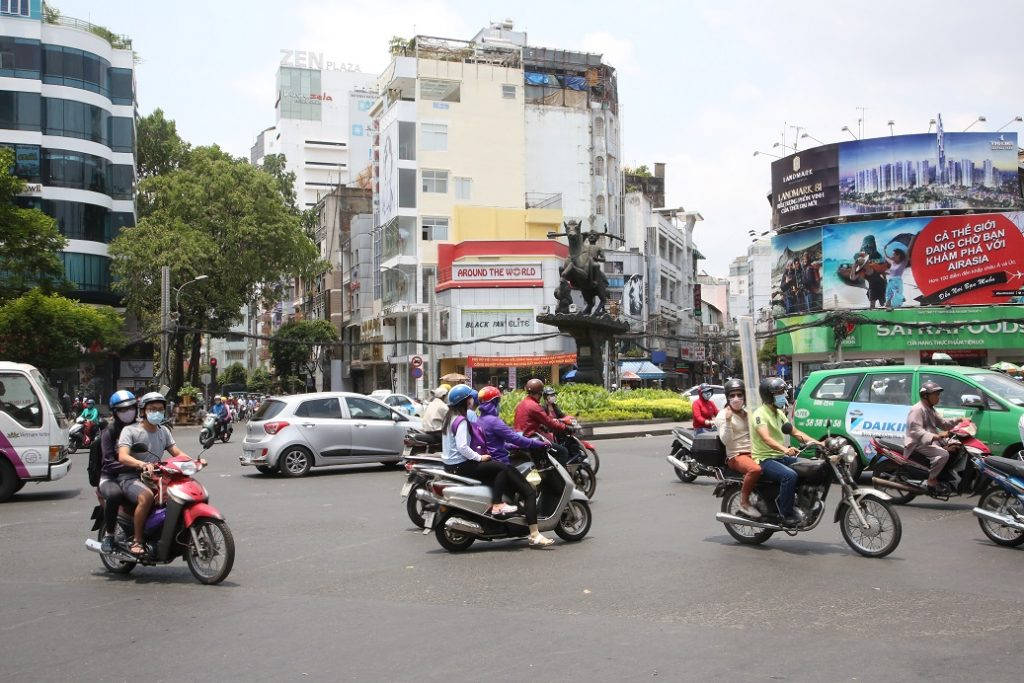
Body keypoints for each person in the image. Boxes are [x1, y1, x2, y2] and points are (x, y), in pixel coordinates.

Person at [442, 385, 553, 547]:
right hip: (465, 464)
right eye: (470, 398)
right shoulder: (472, 421)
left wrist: (506, 447)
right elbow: (463, 447)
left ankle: (505, 512)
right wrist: (479, 458)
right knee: (528, 491)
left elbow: (494, 443)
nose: (472, 401)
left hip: (451, 465)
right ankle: (533, 532)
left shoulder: (459, 418)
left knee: (502, 471)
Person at [116, 392, 191, 556]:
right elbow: (123, 456)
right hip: (130, 477)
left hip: (156, 476)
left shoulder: (163, 431)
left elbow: (176, 452)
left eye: (160, 409)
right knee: (147, 497)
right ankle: (137, 540)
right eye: (152, 409)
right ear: (143, 411)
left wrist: (193, 461)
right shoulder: (130, 431)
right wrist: (142, 464)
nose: (156, 412)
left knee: (180, 494)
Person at [749, 377, 820, 527]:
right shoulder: (760, 414)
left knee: (809, 467)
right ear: (769, 396)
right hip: (764, 459)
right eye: (779, 392)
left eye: (783, 391)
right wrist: (785, 450)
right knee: (789, 475)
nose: (784, 395)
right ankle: (785, 513)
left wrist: (818, 443)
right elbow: (767, 439)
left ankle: (799, 502)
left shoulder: (778, 413)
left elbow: (795, 432)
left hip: (779, 456)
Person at [97, 390, 138, 554]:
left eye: (131, 408)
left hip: (137, 475)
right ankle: (109, 535)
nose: (128, 412)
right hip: (110, 477)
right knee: (114, 495)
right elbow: (108, 462)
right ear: (114, 412)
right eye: (122, 409)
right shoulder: (109, 432)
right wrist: (135, 466)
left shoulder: (140, 428)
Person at [714, 379, 762, 519]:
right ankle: (744, 502)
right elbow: (726, 441)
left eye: (739, 395)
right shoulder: (723, 415)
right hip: (736, 455)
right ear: (728, 397)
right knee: (755, 470)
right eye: (732, 395)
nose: (736, 398)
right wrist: (728, 421)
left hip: (754, 452)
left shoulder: (746, 413)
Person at [904, 380, 958, 493]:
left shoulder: (930, 409)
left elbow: (943, 424)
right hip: (917, 443)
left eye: (938, 395)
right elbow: (915, 430)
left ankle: (944, 476)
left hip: (929, 441)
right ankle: (931, 479)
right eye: (936, 395)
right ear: (925, 396)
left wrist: (959, 421)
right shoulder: (917, 409)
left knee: (956, 445)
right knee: (943, 454)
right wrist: (936, 437)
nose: (938, 398)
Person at [476, 386, 548, 465]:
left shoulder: (479, 419)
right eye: (498, 401)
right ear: (494, 402)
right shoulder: (494, 421)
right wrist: (540, 444)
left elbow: (492, 443)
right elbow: (515, 439)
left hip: (489, 461)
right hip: (500, 462)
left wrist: (511, 446)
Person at [514, 379, 571, 463]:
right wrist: (566, 428)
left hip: (521, 437)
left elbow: (528, 420)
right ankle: (554, 476)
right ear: (540, 393)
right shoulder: (534, 406)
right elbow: (549, 422)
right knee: (563, 452)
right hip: (531, 438)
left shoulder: (522, 403)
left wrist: (540, 426)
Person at [420, 384, 451, 449]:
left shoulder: (431, 404)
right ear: (443, 396)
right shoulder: (443, 406)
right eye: (446, 395)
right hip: (437, 433)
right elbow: (449, 422)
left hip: (427, 431)